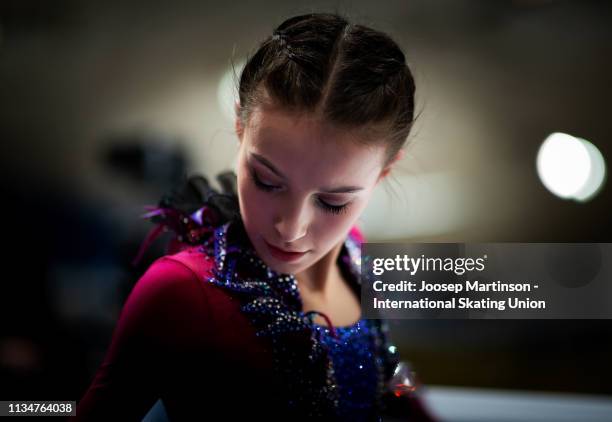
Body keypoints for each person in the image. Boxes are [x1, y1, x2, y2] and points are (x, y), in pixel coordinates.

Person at [72, 12, 437, 421]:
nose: (291, 227)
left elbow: (390, 372)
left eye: (333, 202)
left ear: (384, 174)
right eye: (266, 181)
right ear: (240, 127)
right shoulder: (182, 290)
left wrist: (416, 405)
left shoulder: (354, 248)